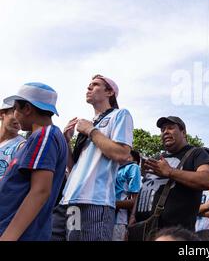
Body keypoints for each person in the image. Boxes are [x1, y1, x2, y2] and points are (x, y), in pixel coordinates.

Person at [60, 75, 134, 241]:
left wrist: (91, 131)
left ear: (109, 92)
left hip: (96, 200)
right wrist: (65, 142)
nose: (89, 88)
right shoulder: (88, 124)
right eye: (88, 85)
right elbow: (74, 168)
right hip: (71, 199)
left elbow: (122, 154)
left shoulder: (120, 115)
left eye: (95, 85)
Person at [0, 82, 67, 240]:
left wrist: (9, 236)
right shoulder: (41, 136)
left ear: (27, 109)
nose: (15, 114)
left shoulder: (45, 135)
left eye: (16, 108)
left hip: (19, 234)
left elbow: (40, 191)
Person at [130, 116, 209, 233]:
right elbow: (144, 188)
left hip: (175, 233)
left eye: (170, 128)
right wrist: (133, 217)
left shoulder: (197, 153)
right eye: (162, 130)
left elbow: (207, 180)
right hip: (141, 230)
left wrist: (170, 172)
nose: (165, 132)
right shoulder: (157, 158)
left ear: (183, 132)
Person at [113, 149, 141, 241]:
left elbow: (134, 201)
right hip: (103, 217)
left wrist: (109, 204)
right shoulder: (114, 168)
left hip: (118, 220)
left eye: (128, 156)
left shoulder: (133, 167)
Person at [0, 103, 25, 181]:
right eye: (15, 112)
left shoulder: (22, 146)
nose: (19, 118)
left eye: (23, 114)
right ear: (2, 114)